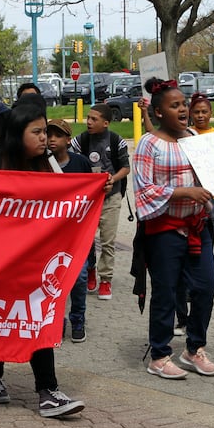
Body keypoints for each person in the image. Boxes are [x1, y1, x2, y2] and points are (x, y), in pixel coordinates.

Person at [0, 104, 85, 418]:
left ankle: (47, 391)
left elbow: (69, 200)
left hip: (35, 264)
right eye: (36, 132)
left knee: (37, 320)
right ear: (16, 133)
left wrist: (95, 191)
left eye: (46, 131)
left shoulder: (48, 164)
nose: (44, 139)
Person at [133, 77, 214, 380]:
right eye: (175, 105)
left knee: (206, 286)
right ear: (158, 112)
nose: (183, 109)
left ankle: (194, 348)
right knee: (166, 293)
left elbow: (212, 174)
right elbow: (143, 190)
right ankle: (159, 354)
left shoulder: (196, 137)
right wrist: (183, 193)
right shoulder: (149, 144)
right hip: (165, 231)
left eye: (184, 103)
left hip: (198, 227)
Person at [172, 92, 214, 336]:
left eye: (205, 112)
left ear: (211, 113)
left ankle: (199, 275)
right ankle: (185, 303)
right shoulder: (185, 136)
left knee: (206, 238)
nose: (200, 115)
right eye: (197, 112)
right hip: (189, 198)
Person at [46, 118, 113, 343]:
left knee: (80, 278)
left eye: (57, 135)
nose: (51, 139)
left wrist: (105, 185)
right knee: (52, 280)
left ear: (68, 139)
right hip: (49, 236)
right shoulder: (41, 164)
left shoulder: (80, 163)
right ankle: (55, 321)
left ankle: (77, 320)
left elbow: (95, 187)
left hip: (77, 235)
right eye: (48, 134)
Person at [70, 103, 130, 300]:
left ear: (105, 123)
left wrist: (113, 179)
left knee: (108, 240)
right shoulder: (81, 141)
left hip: (111, 198)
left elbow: (126, 168)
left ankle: (106, 279)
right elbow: (70, 157)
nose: (88, 122)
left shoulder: (116, 141)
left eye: (94, 119)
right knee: (86, 241)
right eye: (88, 118)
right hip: (89, 201)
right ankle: (91, 270)